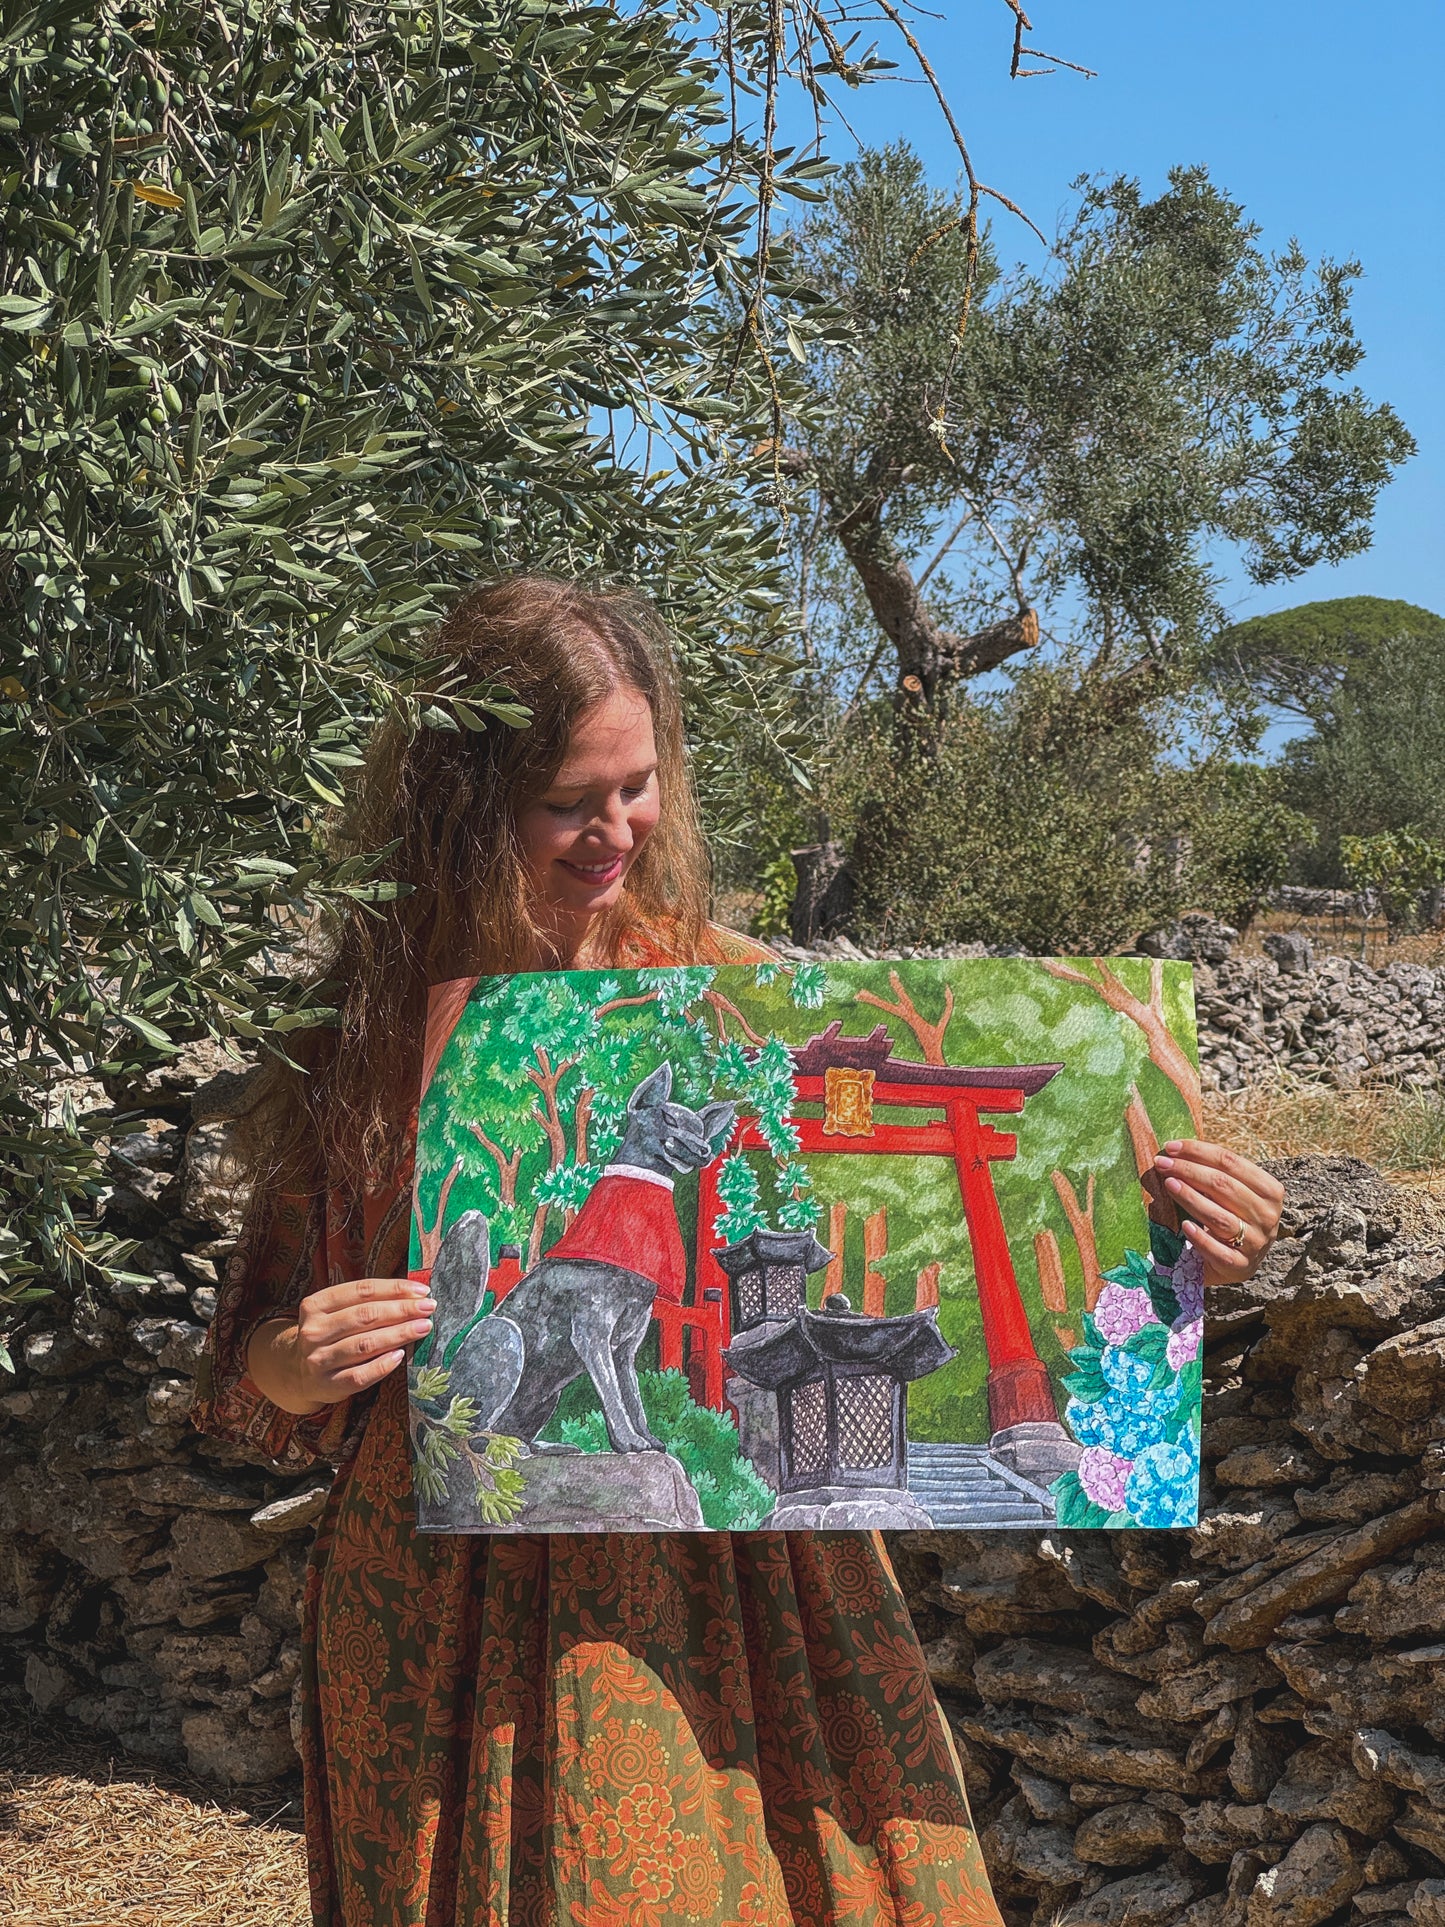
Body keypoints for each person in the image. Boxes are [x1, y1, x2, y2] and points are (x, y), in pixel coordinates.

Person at [192, 573, 1284, 1927]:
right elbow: (240, 1391)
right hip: (441, 1615)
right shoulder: (357, 1041)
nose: (614, 832)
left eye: (637, 786)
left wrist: (1184, 1247)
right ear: (459, 801)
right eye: (564, 801)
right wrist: (290, 1368)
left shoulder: (740, 1001)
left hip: (734, 1591)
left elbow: (988, 1197)